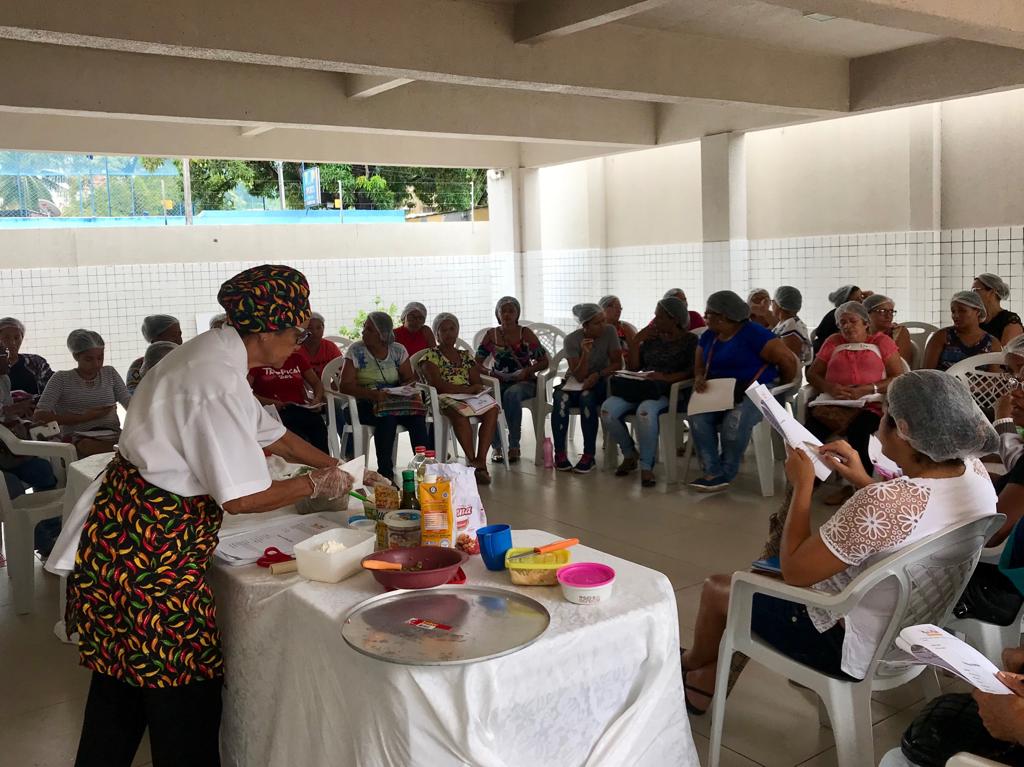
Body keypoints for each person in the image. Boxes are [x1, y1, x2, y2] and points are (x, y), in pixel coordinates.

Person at [56, 264, 367, 767]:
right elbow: (241, 499)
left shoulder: (214, 351)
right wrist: (316, 484)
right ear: (266, 330)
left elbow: (270, 433)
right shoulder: (213, 379)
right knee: (183, 693)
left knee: (121, 687)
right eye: (295, 334)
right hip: (149, 551)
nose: (300, 346)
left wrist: (338, 465)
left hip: (127, 536)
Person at [680, 371, 998, 715]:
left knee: (720, 589)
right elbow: (912, 524)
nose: (878, 422)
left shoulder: (885, 502)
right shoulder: (975, 474)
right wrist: (862, 478)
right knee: (756, 578)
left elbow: (797, 570)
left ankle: (688, 664)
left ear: (903, 430)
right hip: (911, 630)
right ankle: (705, 679)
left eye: (884, 415)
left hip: (849, 643)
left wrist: (803, 485)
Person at [688, 291, 798, 492]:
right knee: (698, 417)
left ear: (722, 317)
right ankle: (713, 471)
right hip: (720, 390)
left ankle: (726, 471)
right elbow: (699, 366)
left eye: (708, 314)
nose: (705, 317)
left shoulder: (755, 335)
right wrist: (699, 378)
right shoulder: (709, 336)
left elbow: (788, 361)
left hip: (755, 390)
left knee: (735, 421)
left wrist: (778, 386)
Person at [805, 300, 905, 496]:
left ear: (866, 323)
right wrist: (829, 387)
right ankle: (809, 482)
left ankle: (859, 486)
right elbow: (812, 374)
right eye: (842, 322)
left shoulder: (881, 342)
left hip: (870, 404)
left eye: (852, 321)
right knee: (811, 433)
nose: (847, 326)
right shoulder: (833, 341)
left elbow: (898, 377)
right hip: (834, 404)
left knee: (861, 432)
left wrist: (870, 388)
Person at [601, 296, 697, 487]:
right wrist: (636, 342)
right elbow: (635, 367)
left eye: (660, 317)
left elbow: (692, 371)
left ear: (674, 319)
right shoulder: (652, 339)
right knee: (607, 410)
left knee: (645, 412)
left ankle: (647, 466)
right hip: (643, 386)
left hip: (668, 391)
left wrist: (666, 378)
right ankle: (629, 453)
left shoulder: (690, 340)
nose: (655, 320)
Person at [340, 311, 429, 483]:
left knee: (418, 417)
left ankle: (425, 470)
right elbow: (345, 385)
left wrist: (407, 388)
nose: (363, 333)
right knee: (387, 420)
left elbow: (408, 378)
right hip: (364, 403)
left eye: (369, 330)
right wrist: (372, 394)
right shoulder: (356, 351)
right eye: (364, 328)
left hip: (393, 402)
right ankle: (386, 473)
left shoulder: (397, 350)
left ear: (382, 335)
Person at [420, 312, 497, 485]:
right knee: (460, 414)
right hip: (443, 397)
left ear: (457, 331)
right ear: (437, 334)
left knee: (492, 410)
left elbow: (476, 380)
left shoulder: (465, 356)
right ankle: (472, 461)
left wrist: (474, 390)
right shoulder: (430, 356)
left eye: (452, 329)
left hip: (468, 396)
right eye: (444, 330)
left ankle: (480, 460)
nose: (449, 333)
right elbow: (437, 385)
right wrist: (468, 389)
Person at [34, 330, 132, 458]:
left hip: (112, 435)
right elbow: (40, 416)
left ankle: (124, 451)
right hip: (80, 439)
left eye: (100, 357)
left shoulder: (110, 373)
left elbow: (129, 403)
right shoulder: (61, 379)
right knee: (87, 446)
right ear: (76, 357)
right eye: (89, 359)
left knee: (138, 440)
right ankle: (124, 452)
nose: (96, 364)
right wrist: (83, 418)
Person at [476, 296, 549, 464]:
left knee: (511, 394)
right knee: (489, 398)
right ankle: (496, 446)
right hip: (499, 381)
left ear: (517, 314)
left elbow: (544, 361)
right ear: (498, 314)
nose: (507, 315)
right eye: (503, 311)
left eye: (511, 311)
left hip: (525, 382)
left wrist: (527, 371)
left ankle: (514, 444)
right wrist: (489, 372)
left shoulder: (526, 333)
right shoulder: (491, 335)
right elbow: (476, 363)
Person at [551, 303, 622, 474]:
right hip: (575, 382)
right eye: (597, 323)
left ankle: (589, 455)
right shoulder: (572, 340)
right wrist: (585, 354)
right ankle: (559, 454)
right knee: (561, 399)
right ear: (585, 326)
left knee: (587, 398)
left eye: (603, 321)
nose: (602, 326)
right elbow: (580, 375)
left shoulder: (610, 332)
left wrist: (598, 374)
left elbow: (617, 363)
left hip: (599, 382)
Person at [0, 373, 59, 556]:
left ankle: (54, 533)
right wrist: (12, 410)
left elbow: (8, 420)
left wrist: (27, 423)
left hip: (8, 454)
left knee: (43, 471)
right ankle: (42, 543)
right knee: (12, 487)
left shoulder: (4, 379)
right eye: (3, 354)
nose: (8, 359)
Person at [248, 340, 328, 453]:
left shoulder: (297, 358)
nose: (295, 348)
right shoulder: (258, 361)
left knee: (317, 424)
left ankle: (324, 465)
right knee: (295, 434)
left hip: (298, 407)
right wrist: (270, 402)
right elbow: (247, 391)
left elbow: (316, 382)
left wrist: (316, 399)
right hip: (273, 412)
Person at [923, 290, 1002, 371]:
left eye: (962, 311)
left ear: (978, 311)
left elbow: (993, 379)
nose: (955, 316)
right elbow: (927, 373)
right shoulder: (942, 337)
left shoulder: (992, 344)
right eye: (953, 311)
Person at [0, 316, 53, 412]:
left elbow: (52, 389)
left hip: (35, 416)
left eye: (17, 337)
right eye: (6, 337)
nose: (12, 342)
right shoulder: (3, 375)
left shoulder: (36, 362)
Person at [125, 315, 182, 394]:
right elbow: (134, 400)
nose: (179, 340)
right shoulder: (138, 366)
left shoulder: (186, 359)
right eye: (173, 336)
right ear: (155, 340)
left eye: (180, 335)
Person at [812, 285, 865, 356]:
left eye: (861, 297)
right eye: (857, 299)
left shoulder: (843, 313)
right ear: (847, 302)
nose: (862, 301)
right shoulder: (840, 316)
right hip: (824, 353)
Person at [863, 294, 914, 367]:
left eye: (891, 311)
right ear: (867, 314)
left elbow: (901, 366)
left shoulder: (898, 332)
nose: (888, 316)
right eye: (882, 311)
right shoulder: (860, 333)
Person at [974, 273, 1023, 346]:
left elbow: (1005, 355)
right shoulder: (975, 319)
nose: (972, 294)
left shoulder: (1010, 320)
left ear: (991, 292)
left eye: (975, 290)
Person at [770, 286, 812, 366]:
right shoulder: (786, 323)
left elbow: (788, 362)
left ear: (779, 305)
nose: (771, 305)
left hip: (787, 377)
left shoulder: (790, 327)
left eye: (773, 301)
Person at [296, 311, 342, 378]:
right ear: (303, 330)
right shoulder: (296, 349)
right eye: (310, 328)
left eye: (318, 328)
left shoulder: (330, 347)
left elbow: (342, 372)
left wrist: (329, 387)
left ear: (323, 328)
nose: (314, 332)